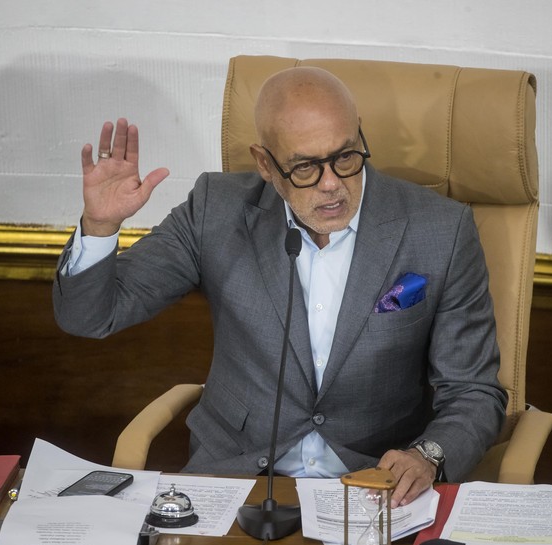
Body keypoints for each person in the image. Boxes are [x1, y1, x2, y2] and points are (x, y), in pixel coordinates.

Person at [53, 66, 507, 507]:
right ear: (265, 164)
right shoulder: (217, 210)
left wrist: (426, 457)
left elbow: (473, 391)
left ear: (360, 135)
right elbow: (92, 316)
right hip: (234, 479)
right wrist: (99, 227)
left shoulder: (441, 230)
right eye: (306, 167)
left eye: (345, 156)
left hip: (375, 485)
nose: (332, 185)